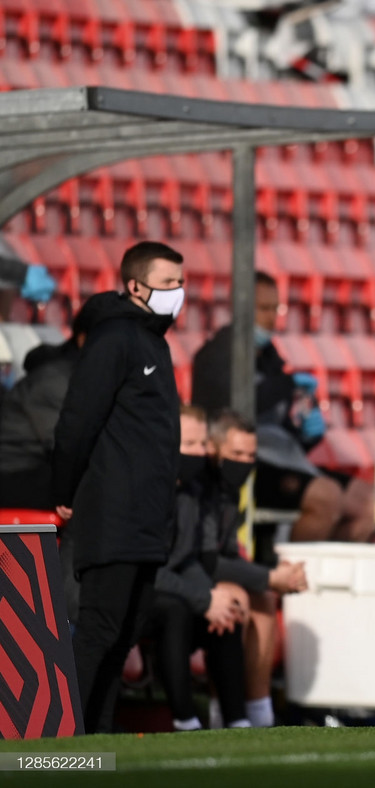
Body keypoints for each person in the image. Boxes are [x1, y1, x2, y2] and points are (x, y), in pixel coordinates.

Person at [51, 241, 186, 734]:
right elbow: (78, 421)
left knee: (125, 631)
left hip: (149, 514)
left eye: (180, 282)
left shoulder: (154, 341)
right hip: (114, 509)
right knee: (100, 629)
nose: (178, 292)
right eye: (168, 283)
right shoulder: (115, 339)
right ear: (134, 285)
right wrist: (62, 491)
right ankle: (63, 737)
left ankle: (100, 739)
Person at [191, 271, 375, 543]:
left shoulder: (271, 360)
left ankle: (323, 577)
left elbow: (278, 433)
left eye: (275, 308)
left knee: (369, 502)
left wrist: (305, 436)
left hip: (279, 462)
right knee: (326, 497)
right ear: (239, 307)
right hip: (241, 464)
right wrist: (286, 384)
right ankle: (288, 578)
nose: (271, 317)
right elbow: (238, 412)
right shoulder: (215, 357)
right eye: (264, 308)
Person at [147, 405, 252, 731]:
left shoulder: (190, 492)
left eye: (202, 444)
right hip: (132, 591)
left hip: (169, 583)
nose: (200, 453)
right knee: (177, 609)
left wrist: (211, 598)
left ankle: (238, 721)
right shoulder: (145, 490)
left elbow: (187, 556)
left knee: (227, 610)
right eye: (189, 445)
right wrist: (202, 598)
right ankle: (185, 720)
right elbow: (144, 565)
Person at [201, 409, 308, 728]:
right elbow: (206, 559)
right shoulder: (199, 490)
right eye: (236, 454)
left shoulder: (230, 492)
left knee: (263, 599)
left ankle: (260, 713)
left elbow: (230, 553)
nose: (244, 462)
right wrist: (271, 576)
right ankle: (226, 716)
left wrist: (271, 579)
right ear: (214, 450)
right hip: (182, 576)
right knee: (237, 597)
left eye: (250, 455)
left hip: (205, 570)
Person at [0, 301, 101, 509]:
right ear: (83, 340)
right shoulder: (55, 381)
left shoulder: (88, 378)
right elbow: (65, 446)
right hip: (14, 474)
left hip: (38, 470)